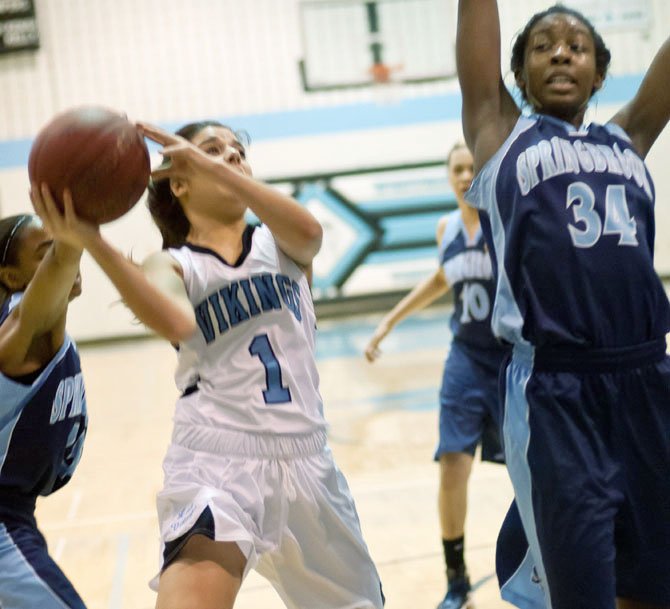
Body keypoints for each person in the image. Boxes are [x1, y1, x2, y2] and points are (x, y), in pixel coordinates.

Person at [35, 119, 385, 609]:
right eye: (213, 150)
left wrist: (209, 162)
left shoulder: (281, 243)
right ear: (179, 183)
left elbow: (310, 233)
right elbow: (177, 321)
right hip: (219, 461)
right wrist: (92, 240)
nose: (232, 156)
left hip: (308, 460)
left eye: (238, 151)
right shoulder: (177, 264)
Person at [456, 2, 670, 609]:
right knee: (581, 593)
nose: (560, 53)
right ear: (519, 75)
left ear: (599, 73)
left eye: (576, 46)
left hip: (649, 377)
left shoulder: (628, 136)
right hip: (556, 389)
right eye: (543, 46)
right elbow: (476, 54)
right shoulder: (501, 135)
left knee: (651, 583)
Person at [365, 142, 510, 609]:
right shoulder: (446, 228)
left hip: (511, 359)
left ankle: (542, 559)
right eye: (457, 169)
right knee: (452, 464)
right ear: (448, 176)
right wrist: (388, 321)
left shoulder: (506, 219)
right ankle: (456, 577)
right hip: (466, 359)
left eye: (472, 167)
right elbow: (441, 278)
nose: (466, 175)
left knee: (530, 471)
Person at [0, 197, 88, 608]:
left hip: (19, 516)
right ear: (9, 275)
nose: (60, 258)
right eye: (45, 251)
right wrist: (72, 231)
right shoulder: (22, 330)